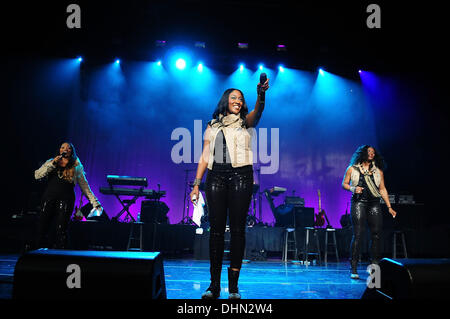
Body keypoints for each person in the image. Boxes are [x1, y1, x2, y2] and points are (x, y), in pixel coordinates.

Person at [190, 78, 269, 299]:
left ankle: (233, 287)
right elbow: (205, 155)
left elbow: (258, 111)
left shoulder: (246, 121)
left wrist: (260, 94)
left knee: (237, 230)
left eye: (241, 98)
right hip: (216, 176)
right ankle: (214, 286)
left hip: (241, 176)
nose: (237, 100)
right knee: (214, 231)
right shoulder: (212, 125)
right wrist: (196, 184)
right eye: (233, 97)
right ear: (225, 100)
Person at [34, 142, 102, 249]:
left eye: (68, 148)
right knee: (42, 226)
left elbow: (84, 186)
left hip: (66, 198)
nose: (65, 149)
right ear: (60, 150)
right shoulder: (51, 162)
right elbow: (37, 175)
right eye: (62, 147)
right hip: (49, 197)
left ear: (71, 152)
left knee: (61, 228)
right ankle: (38, 255)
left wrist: (95, 202)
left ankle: (62, 256)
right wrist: (52, 164)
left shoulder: (76, 166)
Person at [342, 145, 396, 279]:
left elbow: (382, 189)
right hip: (358, 202)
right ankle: (353, 267)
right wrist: (353, 189)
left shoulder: (378, 171)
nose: (371, 154)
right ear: (363, 154)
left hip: (374, 203)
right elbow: (344, 183)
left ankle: (374, 266)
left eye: (373, 152)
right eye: (369, 152)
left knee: (376, 234)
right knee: (358, 234)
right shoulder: (352, 169)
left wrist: (389, 206)